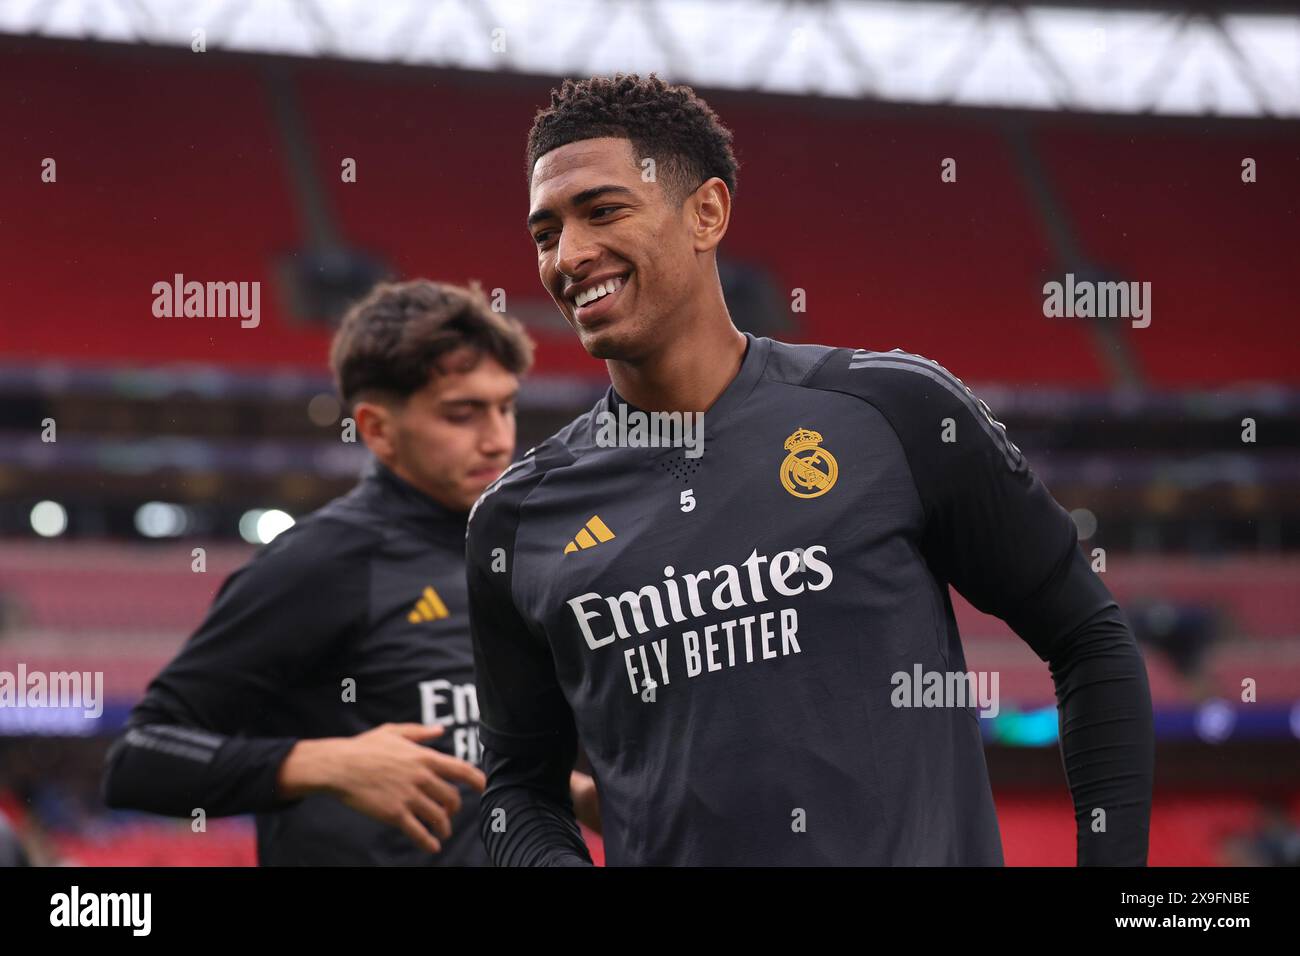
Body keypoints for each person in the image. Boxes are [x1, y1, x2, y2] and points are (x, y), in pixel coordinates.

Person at [466, 74, 1154, 865]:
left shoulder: (893, 411)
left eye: (603, 211)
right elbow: (518, 790)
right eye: (545, 232)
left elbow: (1088, 640)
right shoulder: (516, 523)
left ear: (707, 212)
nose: (570, 256)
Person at [104, 278, 597, 864]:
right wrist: (317, 764)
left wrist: (576, 795)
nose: (498, 439)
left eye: (506, 407)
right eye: (462, 414)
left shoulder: (517, 553)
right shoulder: (320, 563)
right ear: (378, 428)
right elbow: (138, 758)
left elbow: (468, 750)